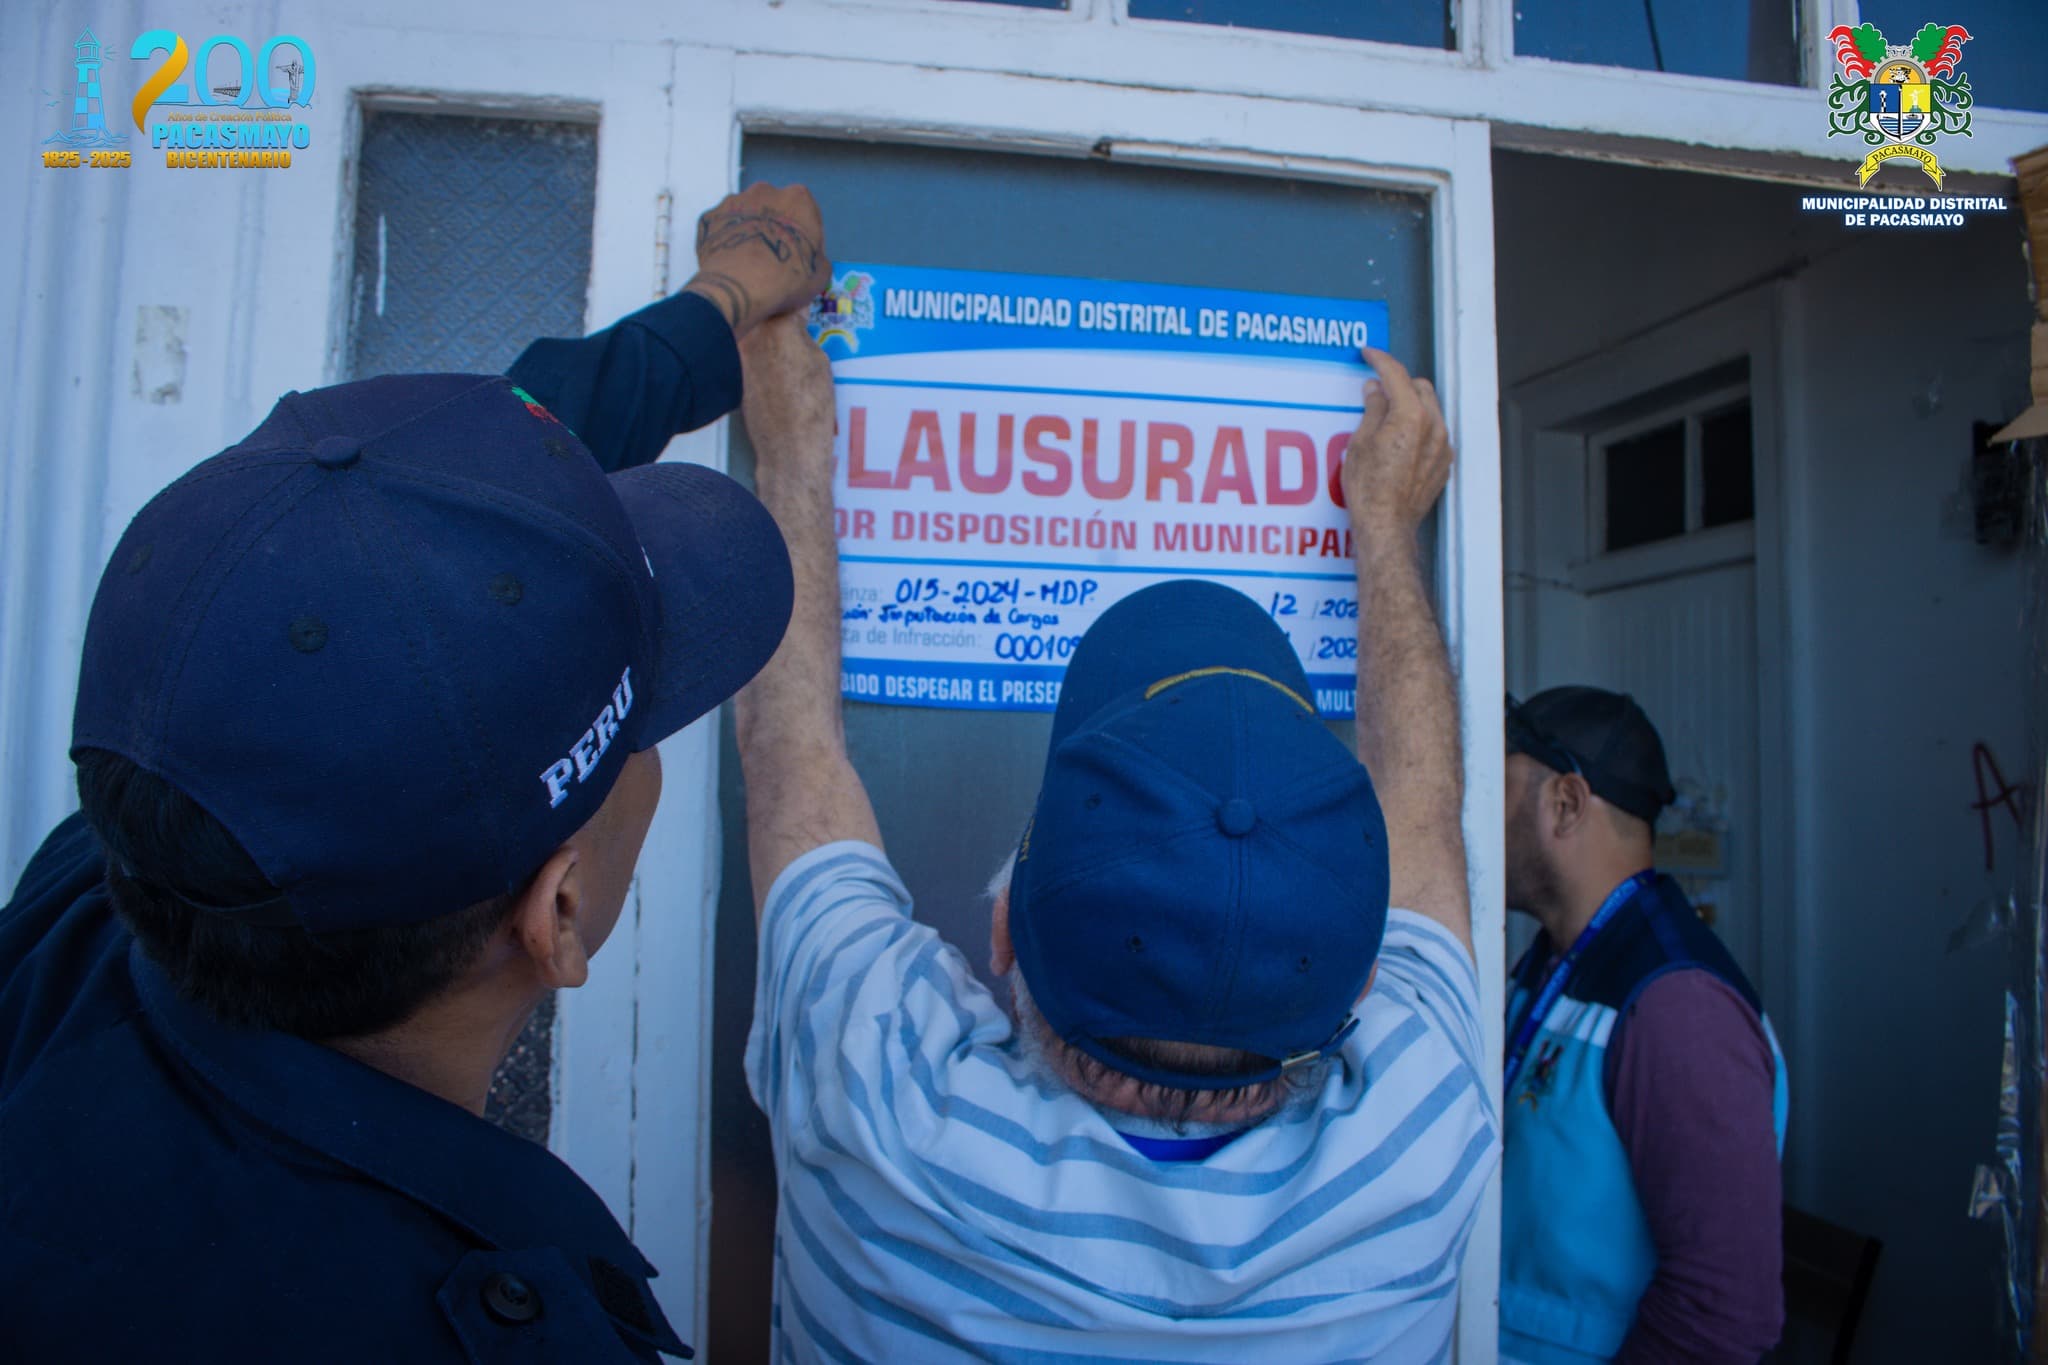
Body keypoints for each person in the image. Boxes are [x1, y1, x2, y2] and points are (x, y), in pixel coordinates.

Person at [0, 183, 827, 1364]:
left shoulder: (119, 880)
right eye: (644, 728)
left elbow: (401, 541)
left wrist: (718, 305)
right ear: (560, 911)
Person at [732, 315, 1498, 1362]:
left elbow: (792, 765)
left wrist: (785, 450)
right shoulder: (1422, 1138)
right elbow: (1420, 816)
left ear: (1002, 932)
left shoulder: (877, 1091)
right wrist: (1387, 527)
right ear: (1361, 984)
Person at [1499, 687, 1788, 1364]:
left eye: (1499, 784)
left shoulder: (1679, 1007)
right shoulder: (1551, 962)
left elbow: (1723, 1313)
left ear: (1565, 804)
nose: (1474, 813)